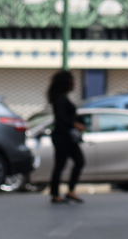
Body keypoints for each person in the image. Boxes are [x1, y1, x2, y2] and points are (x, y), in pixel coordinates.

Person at [47, 70, 86, 204]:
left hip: (69, 138)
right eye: (72, 81)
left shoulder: (63, 98)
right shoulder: (59, 99)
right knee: (60, 164)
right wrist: (75, 124)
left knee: (79, 161)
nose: (74, 84)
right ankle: (56, 193)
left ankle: (70, 191)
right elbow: (61, 117)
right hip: (62, 137)